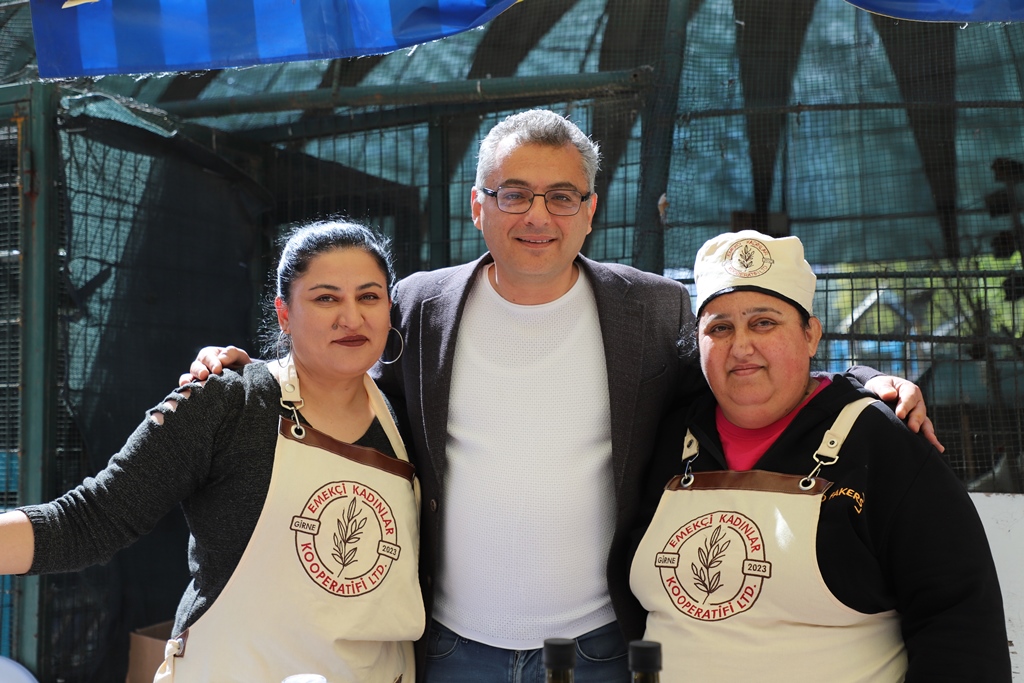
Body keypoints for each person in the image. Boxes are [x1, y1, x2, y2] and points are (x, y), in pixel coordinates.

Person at [187, 110, 939, 683]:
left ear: (590, 208)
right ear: (478, 206)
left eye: (560, 195)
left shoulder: (652, 308)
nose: (537, 216)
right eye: (514, 194)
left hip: (602, 647)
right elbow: (339, 382)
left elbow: (742, 376)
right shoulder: (417, 304)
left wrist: (859, 383)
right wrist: (249, 373)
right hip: (450, 646)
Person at [0, 221, 425, 683]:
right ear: (284, 314)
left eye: (368, 296)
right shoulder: (227, 402)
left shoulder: (410, 419)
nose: (351, 318)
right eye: (326, 298)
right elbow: (90, 521)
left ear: (389, 308)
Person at [630, 230, 1011, 681]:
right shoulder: (666, 432)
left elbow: (959, 619)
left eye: (764, 323)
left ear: (811, 335)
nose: (741, 346)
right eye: (720, 328)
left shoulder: (878, 439)